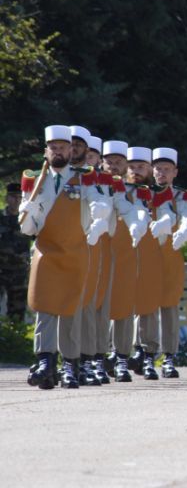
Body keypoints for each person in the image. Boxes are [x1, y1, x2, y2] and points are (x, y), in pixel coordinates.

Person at [20, 125, 106, 389]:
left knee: (71, 307)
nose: (58, 152)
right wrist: (28, 211)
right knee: (44, 305)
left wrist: (100, 211)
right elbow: (27, 227)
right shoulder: (34, 179)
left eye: (62, 148)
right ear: (46, 151)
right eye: (53, 148)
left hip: (75, 251)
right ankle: (46, 358)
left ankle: (70, 363)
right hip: (46, 250)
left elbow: (95, 201)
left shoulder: (85, 177)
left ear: (71, 150)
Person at [101, 140, 148, 382]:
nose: (114, 166)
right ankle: (95, 356)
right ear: (102, 162)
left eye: (119, 162)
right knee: (96, 308)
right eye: (109, 162)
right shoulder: (95, 184)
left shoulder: (135, 191)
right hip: (98, 254)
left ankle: (121, 356)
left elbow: (139, 211)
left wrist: (139, 221)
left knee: (124, 309)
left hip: (125, 255)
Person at [150, 147, 187, 378]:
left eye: (166, 170)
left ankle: (168, 356)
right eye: (158, 168)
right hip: (146, 258)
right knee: (143, 306)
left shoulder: (182, 197)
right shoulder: (142, 194)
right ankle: (144, 353)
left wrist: (186, 228)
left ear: (175, 172)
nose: (161, 173)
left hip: (170, 258)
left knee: (169, 307)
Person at [127, 146, 174, 380]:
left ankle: (146, 352)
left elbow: (168, 214)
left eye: (142, 167)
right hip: (123, 254)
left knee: (147, 305)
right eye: (132, 167)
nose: (136, 171)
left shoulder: (157, 193)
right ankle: (116, 352)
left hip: (150, 254)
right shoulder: (118, 190)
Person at [70, 125, 112, 386]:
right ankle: (54, 357)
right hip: (62, 245)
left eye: (84, 149)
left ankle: (89, 358)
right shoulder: (55, 174)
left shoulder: (101, 180)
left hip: (94, 246)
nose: (77, 152)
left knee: (89, 305)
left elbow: (108, 205)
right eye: (69, 146)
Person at [0, 182, 30, 321]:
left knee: (17, 311)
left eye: (19, 197)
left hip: (19, 272)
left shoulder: (27, 220)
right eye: (13, 196)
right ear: (7, 198)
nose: (16, 200)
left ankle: (16, 338)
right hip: (1, 270)